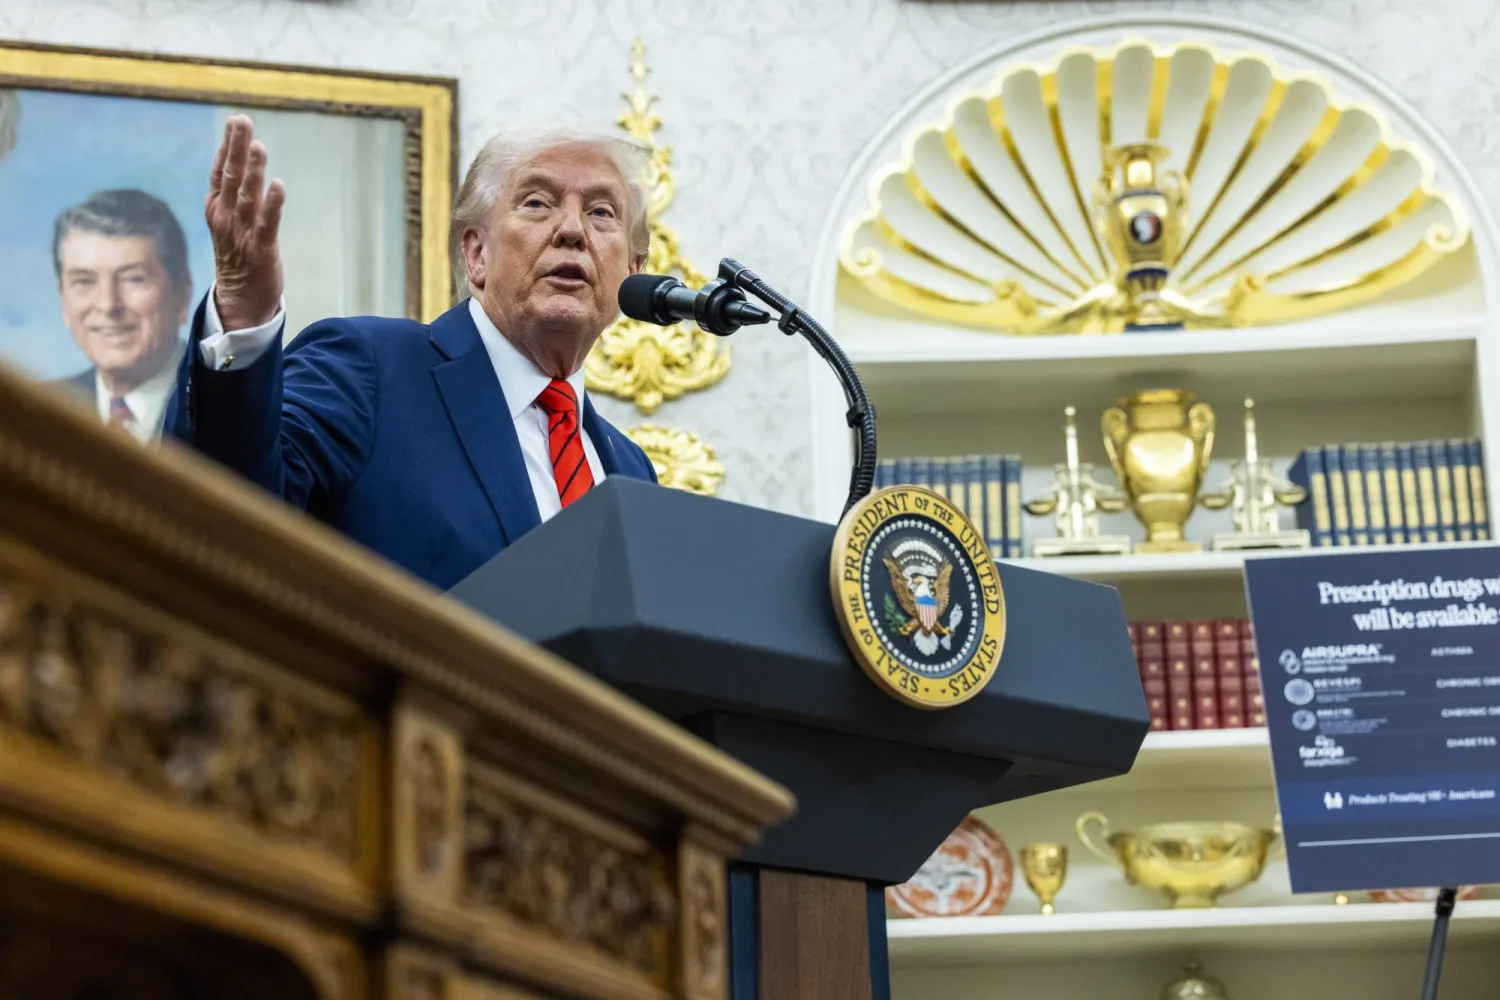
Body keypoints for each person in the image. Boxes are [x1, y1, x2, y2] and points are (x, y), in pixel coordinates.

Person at [165, 115, 658, 590]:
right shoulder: (370, 369)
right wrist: (240, 317)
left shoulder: (631, 468)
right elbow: (228, 498)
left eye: (601, 212)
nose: (572, 229)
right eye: (536, 203)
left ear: (633, 272)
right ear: (476, 253)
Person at [53, 189, 193, 443]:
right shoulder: (38, 413)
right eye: (84, 281)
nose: (108, 304)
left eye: (133, 278)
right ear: (63, 299)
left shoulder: (226, 409)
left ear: (181, 293)